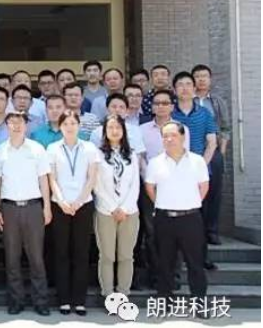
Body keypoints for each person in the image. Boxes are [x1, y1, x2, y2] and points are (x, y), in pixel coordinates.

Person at [0, 112, 52, 316]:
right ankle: (16, 300)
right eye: (12, 122)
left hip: (33, 207)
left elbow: (43, 180)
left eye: (20, 122)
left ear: (26, 125)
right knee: (12, 257)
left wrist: (47, 207)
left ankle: (40, 301)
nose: (16, 125)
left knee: (36, 257)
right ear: (7, 125)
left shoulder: (37, 149)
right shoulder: (0, 151)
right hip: (9, 208)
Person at [145, 121, 209, 307]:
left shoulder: (197, 161)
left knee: (195, 263)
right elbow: (150, 187)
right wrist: (163, 203)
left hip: (191, 218)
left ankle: (199, 303)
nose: (169, 139)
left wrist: (190, 202)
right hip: (165, 219)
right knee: (165, 263)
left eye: (173, 135)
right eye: (165, 136)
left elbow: (204, 186)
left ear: (182, 137)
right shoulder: (155, 163)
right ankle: (164, 301)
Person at [46, 111, 100, 316]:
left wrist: (78, 202)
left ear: (79, 126)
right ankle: (64, 300)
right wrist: (61, 201)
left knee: (81, 253)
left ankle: (79, 300)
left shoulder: (89, 148)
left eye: (73, 123)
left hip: (83, 205)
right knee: (61, 253)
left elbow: (92, 178)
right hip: (59, 206)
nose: (69, 127)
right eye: (66, 124)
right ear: (60, 126)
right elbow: (52, 179)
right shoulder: (52, 148)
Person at [137, 89, 189, 290]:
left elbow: (184, 157)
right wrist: (149, 179)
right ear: (151, 106)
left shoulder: (182, 129)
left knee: (175, 233)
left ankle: (173, 275)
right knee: (152, 234)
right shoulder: (142, 129)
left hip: (174, 189)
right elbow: (141, 159)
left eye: (165, 103)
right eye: (157, 103)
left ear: (172, 106)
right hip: (149, 187)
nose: (160, 106)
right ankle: (156, 276)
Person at [170, 71, 219, 270]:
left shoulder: (204, 113)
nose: (184, 88)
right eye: (180, 85)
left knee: (199, 218)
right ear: (174, 89)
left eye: (188, 84)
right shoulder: (170, 113)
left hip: (198, 174)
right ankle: (177, 260)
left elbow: (212, 142)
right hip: (173, 174)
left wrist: (201, 167)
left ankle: (201, 258)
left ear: (194, 88)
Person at [94, 115, 141, 298]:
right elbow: (97, 184)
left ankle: (123, 294)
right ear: (104, 131)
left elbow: (135, 184)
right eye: (110, 127)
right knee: (107, 256)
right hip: (106, 211)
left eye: (118, 128)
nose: (114, 131)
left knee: (126, 256)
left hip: (129, 211)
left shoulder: (132, 155)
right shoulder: (97, 154)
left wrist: (125, 207)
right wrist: (113, 207)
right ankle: (108, 294)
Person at [191, 64, 230, 245]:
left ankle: (212, 231)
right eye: (197, 76)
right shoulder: (186, 100)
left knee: (214, 192)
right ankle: (196, 230)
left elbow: (225, 128)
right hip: (193, 152)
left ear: (210, 79)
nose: (201, 79)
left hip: (213, 152)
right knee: (194, 191)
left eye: (204, 76)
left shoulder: (217, 102)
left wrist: (221, 152)